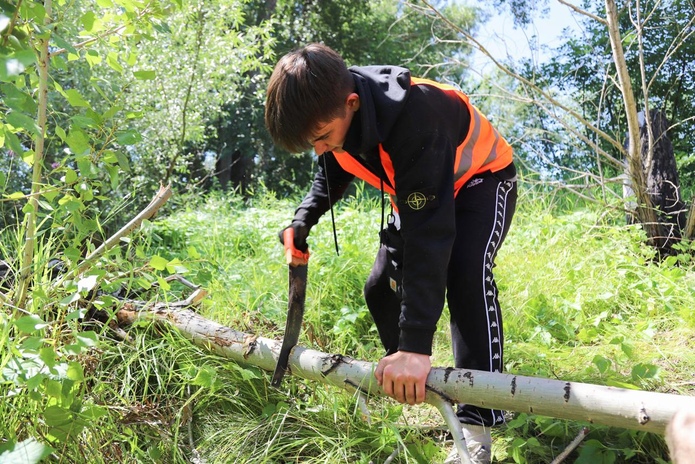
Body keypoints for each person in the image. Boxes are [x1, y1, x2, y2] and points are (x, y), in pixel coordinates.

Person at [265, 43, 517, 464]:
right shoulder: (336, 118)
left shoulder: (415, 115)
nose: (319, 149)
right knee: (380, 288)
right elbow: (331, 170)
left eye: (322, 137)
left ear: (352, 104)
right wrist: (301, 221)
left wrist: (415, 346)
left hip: (481, 181)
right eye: (311, 143)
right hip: (421, 190)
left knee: (464, 273)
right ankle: (415, 383)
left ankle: (477, 428)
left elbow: (430, 237)